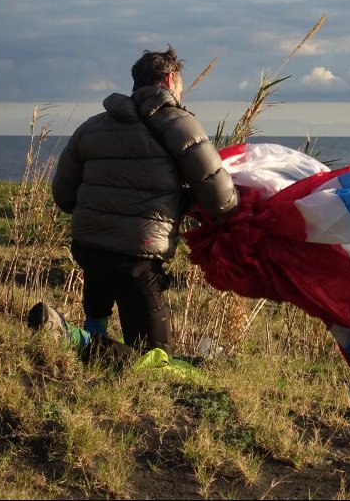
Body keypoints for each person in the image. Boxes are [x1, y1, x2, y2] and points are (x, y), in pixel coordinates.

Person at [30, 45, 239, 359]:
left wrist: (102, 214)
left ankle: (88, 338)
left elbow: (63, 195)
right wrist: (237, 209)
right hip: (137, 258)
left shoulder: (93, 125)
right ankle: (69, 336)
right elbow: (220, 196)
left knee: (101, 304)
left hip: (88, 245)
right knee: (153, 358)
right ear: (170, 80)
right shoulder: (179, 124)